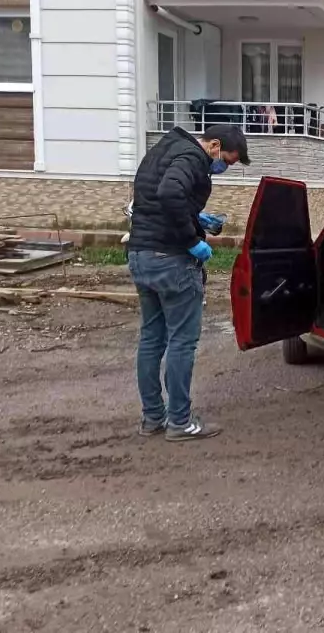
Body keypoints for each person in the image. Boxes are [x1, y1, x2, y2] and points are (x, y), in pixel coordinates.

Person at [127, 124, 249, 442]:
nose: (224, 168)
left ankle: (153, 417)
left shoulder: (165, 149)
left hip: (141, 254)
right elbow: (169, 193)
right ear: (214, 146)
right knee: (182, 341)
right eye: (228, 161)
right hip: (171, 260)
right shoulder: (192, 157)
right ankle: (180, 422)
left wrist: (197, 217)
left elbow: (155, 197)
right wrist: (191, 238)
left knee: (152, 339)